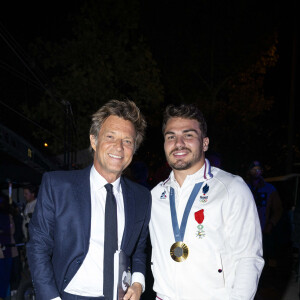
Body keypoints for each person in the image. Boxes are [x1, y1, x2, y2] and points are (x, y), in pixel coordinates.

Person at [27, 100, 151, 300]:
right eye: (110, 136)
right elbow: (38, 247)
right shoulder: (58, 186)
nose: (119, 147)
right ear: (94, 141)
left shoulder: (142, 196)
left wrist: (137, 283)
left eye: (127, 141)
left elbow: (138, 248)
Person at [149, 104, 264, 300]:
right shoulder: (154, 195)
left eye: (188, 135)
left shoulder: (231, 188)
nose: (178, 143)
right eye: (171, 136)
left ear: (205, 143)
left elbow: (248, 258)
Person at [247, 160, 282, 267]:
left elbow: (278, 209)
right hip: (247, 230)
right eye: (253, 169)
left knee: (267, 257)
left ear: (261, 171)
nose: (256, 172)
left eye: (258, 169)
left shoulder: (270, 189)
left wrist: (271, 224)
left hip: (264, 230)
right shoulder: (244, 187)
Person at [0, 193, 18, 300]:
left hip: (8, 250)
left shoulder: (9, 215)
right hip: (4, 250)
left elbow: (11, 230)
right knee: (4, 277)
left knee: (6, 277)